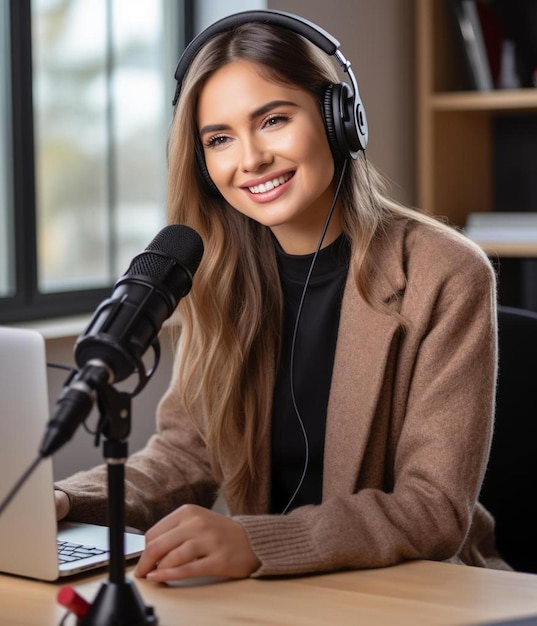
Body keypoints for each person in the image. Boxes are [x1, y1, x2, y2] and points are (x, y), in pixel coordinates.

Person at [55, 9, 508, 583]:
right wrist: (66, 500)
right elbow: (185, 454)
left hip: (413, 590)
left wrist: (260, 541)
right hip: (276, 595)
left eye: (272, 120)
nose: (250, 159)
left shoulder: (445, 272)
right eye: (219, 138)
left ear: (337, 117)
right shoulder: (215, 272)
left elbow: (433, 509)